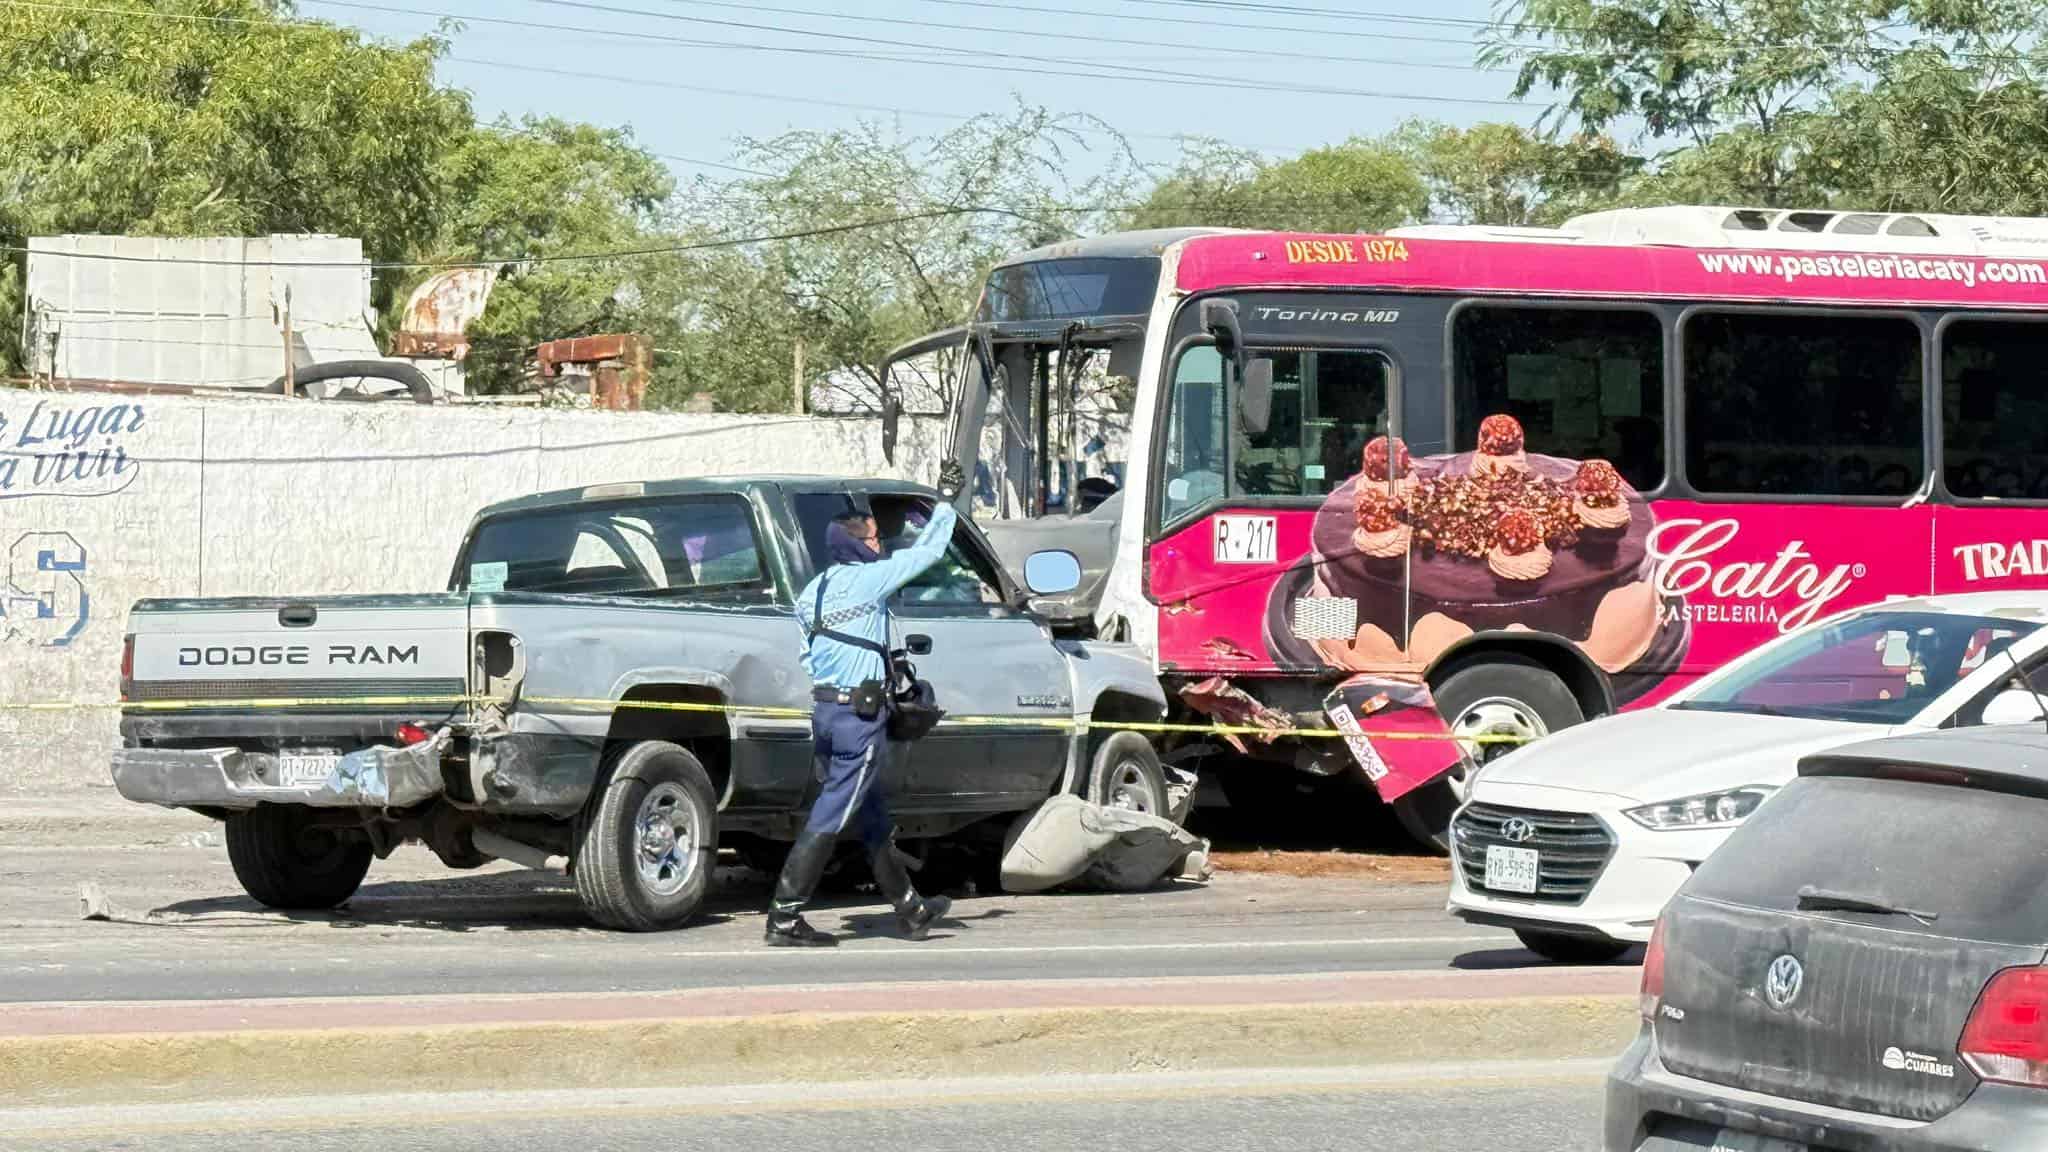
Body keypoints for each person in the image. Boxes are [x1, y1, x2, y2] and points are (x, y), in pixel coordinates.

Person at [764, 493, 961, 947]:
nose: (880, 547)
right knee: (832, 813)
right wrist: (946, 506)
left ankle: (912, 911)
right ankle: (784, 918)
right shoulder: (869, 581)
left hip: (827, 714)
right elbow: (928, 553)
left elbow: (808, 659)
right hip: (858, 717)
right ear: (856, 546)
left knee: (869, 816)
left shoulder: (811, 592)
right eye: (874, 539)